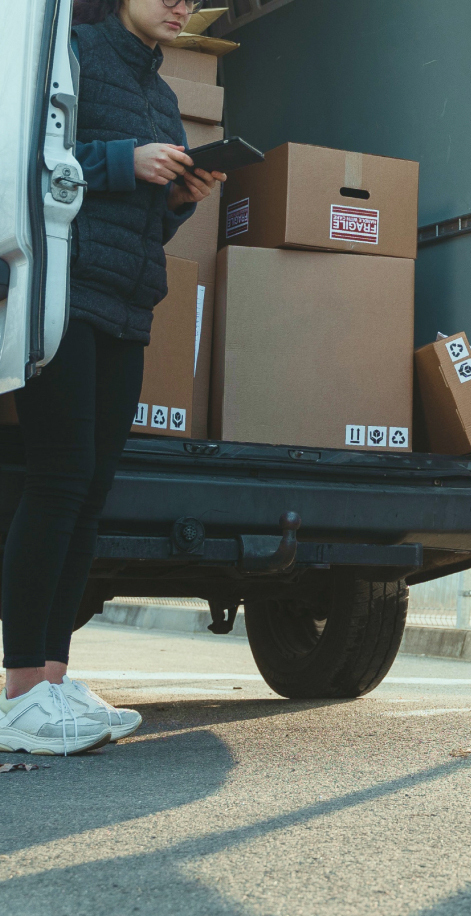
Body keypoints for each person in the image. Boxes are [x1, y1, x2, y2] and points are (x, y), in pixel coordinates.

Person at [0, 0, 224, 755]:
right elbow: (24, 162)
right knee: (58, 483)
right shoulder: (69, 56)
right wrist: (122, 162)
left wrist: (177, 201)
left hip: (128, 308)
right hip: (61, 295)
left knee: (90, 493)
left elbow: (144, 223)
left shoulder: (161, 95)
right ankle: (20, 692)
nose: (180, 4)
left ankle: (53, 680)